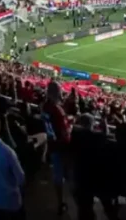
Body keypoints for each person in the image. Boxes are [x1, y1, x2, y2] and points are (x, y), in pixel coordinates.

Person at [42, 80, 71, 215]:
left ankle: (60, 201)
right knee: (67, 174)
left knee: (57, 176)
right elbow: (64, 131)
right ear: (57, 93)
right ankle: (67, 201)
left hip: (52, 143)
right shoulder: (57, 110)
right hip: (62, 146)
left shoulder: (44, 107)